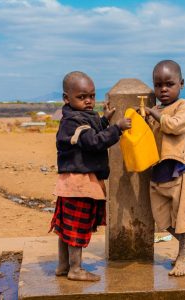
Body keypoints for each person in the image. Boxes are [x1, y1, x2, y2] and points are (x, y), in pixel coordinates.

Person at [49, 71, 131, 281]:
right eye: (82, 97)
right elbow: (93, 142)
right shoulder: (72, 122)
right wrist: (117, 129)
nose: (88, 101)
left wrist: (104, 120)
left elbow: (89, 134)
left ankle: (63, 265)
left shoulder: (76, 117)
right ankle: (75, 270)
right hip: (79, 184)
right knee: (76, 228)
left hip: (73, 183)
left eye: (92, 96)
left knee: (66, 227)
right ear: (66, 98)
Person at [144, 60, 185, 277]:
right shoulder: (156, 110)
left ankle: (182, 257)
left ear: (181, 84)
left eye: (169, 84)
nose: (163, 89)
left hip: (179, 172)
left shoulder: (184, 106)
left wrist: (156, 115)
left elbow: (175, 125)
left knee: (181, 217)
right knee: (162, 219)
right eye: (158, 85)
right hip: (158, 173)